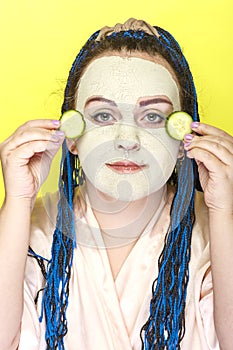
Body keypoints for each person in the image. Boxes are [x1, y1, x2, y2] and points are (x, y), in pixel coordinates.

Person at [0, 18, 232, 350]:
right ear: (72, 136)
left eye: (153, 116)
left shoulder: (214, 230)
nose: (127, 140)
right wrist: (18, 201)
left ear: (184, 140)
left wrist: (225, 211)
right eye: (103, 116)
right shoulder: (30, 226)